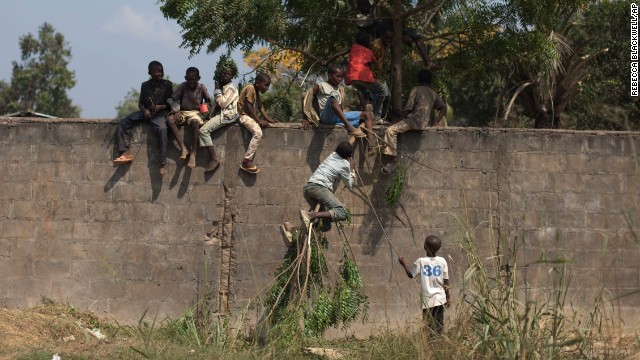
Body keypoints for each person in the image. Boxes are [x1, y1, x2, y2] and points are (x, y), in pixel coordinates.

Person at [112, 61, 173, 176]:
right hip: (147, 113)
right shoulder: (145, 85)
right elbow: (140, 104)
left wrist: (161, 107)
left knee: (162, 129)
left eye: (161, 71)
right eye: (157, 71)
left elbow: (171, 104)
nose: (160, 74)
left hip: (160, 114)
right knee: (124, 122)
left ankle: (163, 163)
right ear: (150, 72)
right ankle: (125, 152)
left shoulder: (167, 84)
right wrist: (145, 111)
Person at [380, 69, 446, 175]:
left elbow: (408, 109)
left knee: (390, 131)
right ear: (430, 81)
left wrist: (399, 119)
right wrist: (436, 121)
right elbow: (443, 108)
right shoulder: (433, 93)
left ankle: (392, 162)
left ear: (419, 79)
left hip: (413, 121)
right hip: (424, 123)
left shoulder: (416, 89)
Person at [301, 66, 374, 146]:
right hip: (325, 117)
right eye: (338, 76)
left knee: (367, 114)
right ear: (330, 76)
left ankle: (371, 146)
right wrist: (305, 118)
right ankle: (349, 127)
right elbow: (306, 96)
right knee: (332, 99)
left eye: (341, 77)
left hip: (337, 117)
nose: (340, 79)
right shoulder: (321, 85)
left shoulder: (340, 89)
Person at [398, 235, 451, 336]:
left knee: (427, 323)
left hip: (427, 300)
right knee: (439, 323)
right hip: (440, 298)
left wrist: (403, 263)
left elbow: (410, 275)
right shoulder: (442, 261)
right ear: (438, 248)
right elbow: (446, 280)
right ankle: (437, 342)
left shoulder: (421, 261)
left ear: (425, 247)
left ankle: (430, 344)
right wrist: (448, 297)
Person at [298, 141, 355, 233]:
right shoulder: (345, 164)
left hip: (308, 188)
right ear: (348, 156)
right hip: (319, 188)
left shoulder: (332, 155)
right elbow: (349, 184)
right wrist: (351, 170)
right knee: (342, 212)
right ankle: (311, 215)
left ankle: (294, 231)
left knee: (326, 224)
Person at [199, 58, 240, 172]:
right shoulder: (223, 87)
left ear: (232, 77)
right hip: (222, 114)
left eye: (229, 74)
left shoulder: (231, 88)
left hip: (228, 115)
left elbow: (222, 103)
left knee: (203, 131)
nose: (226, 75)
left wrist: (217, 89)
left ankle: (214, 158)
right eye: (224, 73)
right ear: (220, 74)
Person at [166, 67, 211, 169]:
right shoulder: (183, 86)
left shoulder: (201, 88)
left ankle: (193, 153)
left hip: (195, 113)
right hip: (182, 112)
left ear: (198, 78)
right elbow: (171, 99)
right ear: (185, 78)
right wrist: (176, 111)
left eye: (194, 79)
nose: (191, 81)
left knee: (195, 123)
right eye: (189, 79)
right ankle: (183, 148)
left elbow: (208, 101)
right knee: (170, 120)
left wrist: (206, 106)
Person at [237, 73, 277, 174]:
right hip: (243, 116)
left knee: (258, 131)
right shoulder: (250, 88)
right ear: (257, 83)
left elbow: (260, 107)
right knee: (258, 133)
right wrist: (258, 120)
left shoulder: (256, 91)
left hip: (248, 116)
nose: (267, 88)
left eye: (268, 86)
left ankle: (247, 161)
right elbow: (248, 105)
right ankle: (246, 161)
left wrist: (268, 119)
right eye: (265, 85)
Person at [345, 31, 389, 120]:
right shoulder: (368, 52)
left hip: (352, 78)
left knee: (366, 92)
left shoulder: (353, 48)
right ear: (367, 42)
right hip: (363, 76)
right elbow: (372, 64)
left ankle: (367, 110)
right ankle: (375, 115)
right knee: (382, 91)